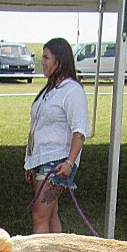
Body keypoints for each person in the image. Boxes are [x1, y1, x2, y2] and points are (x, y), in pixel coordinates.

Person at [23, 38, 89, 234]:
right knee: (50, 213)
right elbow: (38, 128)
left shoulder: (72, 91)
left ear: (59, 60)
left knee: (39, 215)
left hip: (57, 161)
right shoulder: (51, 90)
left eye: (46, 57)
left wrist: (69, 162)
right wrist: (30, 161)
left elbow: (80, 131)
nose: (42, 62)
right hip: (43, 160)